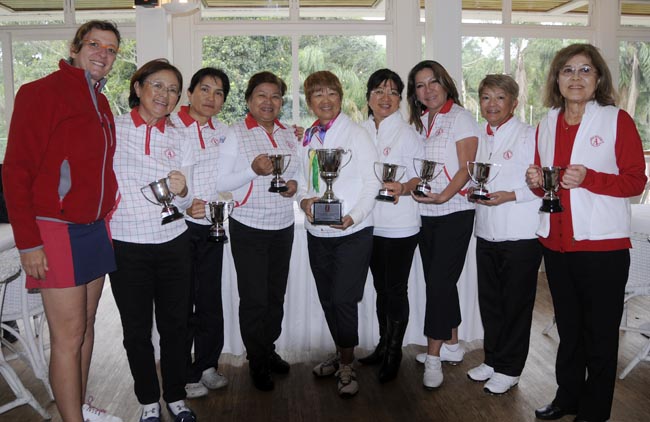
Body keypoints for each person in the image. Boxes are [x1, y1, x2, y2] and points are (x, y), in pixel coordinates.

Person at [2, 20, 122, 422]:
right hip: (56, 230)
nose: (102, 54)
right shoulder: (41, 93)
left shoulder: (102, 103)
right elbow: (16, 170)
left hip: (94, 228)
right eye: (95, 44)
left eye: (111, 49)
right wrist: (28, 242)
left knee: (86, 328)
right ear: (75, 47)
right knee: (68, 337)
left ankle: (79, 408)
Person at [525, 44, 647, 422]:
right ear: (556, 79)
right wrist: (533, 181)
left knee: (600, 336)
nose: (575, 78)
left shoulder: (616, 120)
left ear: (598, 80)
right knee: (570, 331)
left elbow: (636, 183)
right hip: (556, 244)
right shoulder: (546, 124)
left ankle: (594, 412)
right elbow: (546, 184)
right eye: (567, 70)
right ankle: (568, 398)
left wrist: (590, 178)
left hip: (602, 247)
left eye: (585, 70)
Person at [109, 59, 197, 422]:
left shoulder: (180, 135)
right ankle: (148, 399)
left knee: (177, 325)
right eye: (158, 85)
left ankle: (176, 396)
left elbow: (186, 200)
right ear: (138, 87)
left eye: (173, 89)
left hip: (174, 242)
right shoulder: (112, 129)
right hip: (126, 243)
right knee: (136, 329)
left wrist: (184, 189)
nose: (166, 95)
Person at [297, 70, 380, 397]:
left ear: (340, 97)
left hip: (352, 232)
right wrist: (304, 200)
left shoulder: (357, 134)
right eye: (317, 94)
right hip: (317, 232)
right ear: (309, 101)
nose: (325, 99)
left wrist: (353, 217)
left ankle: (347, 363)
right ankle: (342, 351)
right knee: (328, 298)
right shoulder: (308, 136)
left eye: (331, 92)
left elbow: (373, 182)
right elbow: (303, 180)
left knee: (344, 298)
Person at [215, 71, 298, 392]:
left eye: (275, 96)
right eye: (261, 95)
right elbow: (221, 183)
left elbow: (300, 174)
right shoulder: (235, 133)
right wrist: (252, 170)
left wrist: (294, 186)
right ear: (249, 100)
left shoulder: (290, 133)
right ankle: (257, 358)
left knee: (276, 296)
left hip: (283, 225)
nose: (269, 102)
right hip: (249, 226)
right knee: (254, 299)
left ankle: (268, 348)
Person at [467, 74, 542, 395]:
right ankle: (493, 359)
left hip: (521, 235)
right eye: (486, 98)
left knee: (516, 305)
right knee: (491, 302)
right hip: (486, 231)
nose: (492, 104)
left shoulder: (531, 135)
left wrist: (510, 195)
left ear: (514, 102)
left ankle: (511, 368)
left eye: (499, 98)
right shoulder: (481, 137)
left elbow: (543, 183)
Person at [406, 60, 479, 389]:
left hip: (455, 210)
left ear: (445, 83)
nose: (428, 90)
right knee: (441, 282)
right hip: (427, 214)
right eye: (420, 85)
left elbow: (467, 168)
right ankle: (452, 345)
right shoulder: (421, 120)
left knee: (437, 283)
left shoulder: (460, 117)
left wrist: (443, 197)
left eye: (433, 82)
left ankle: (433, 357)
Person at [168, 68, 231, 399]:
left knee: (209, 298)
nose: (211, 98)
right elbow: (162, 177)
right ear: (189, 92)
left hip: (213, 227)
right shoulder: (170, 126)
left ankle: (207, 363)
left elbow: (231, 173)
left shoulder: (223, 130)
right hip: (179, 228)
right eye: (204, 89)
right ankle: (183, 372)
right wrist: (185, 203)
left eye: (219, 93)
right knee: (183, 302)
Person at [357, 68, 423, 383]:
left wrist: (404, 187)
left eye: (394, 92)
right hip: (368, 223)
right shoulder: (360, 131)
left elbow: (418, 175)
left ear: (400, 99)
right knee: (381, 288)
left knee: (395, 289)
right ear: (368, 96)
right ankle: (384, 344)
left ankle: (394, 352)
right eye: (380, 91)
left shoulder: (408, 133)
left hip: (400, 225)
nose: (386, 98)